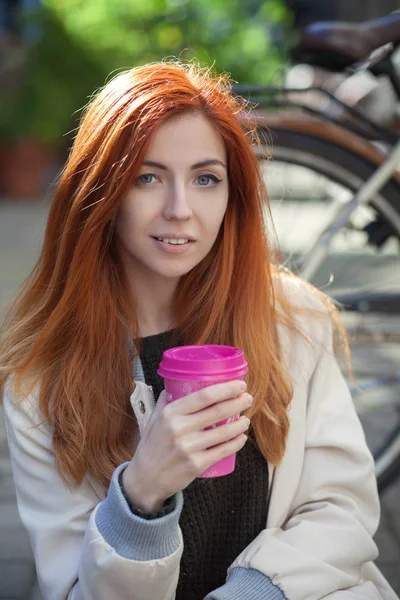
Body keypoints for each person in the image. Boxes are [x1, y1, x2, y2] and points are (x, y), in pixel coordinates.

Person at [0, 60, 397, 600]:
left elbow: (340, 508)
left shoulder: (292, 319)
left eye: (205, 179)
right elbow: (75, 589)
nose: (180, 210)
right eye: (147, 177)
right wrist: (141, 495)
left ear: (232, 195)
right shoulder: (40, 379)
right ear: (102, 196)